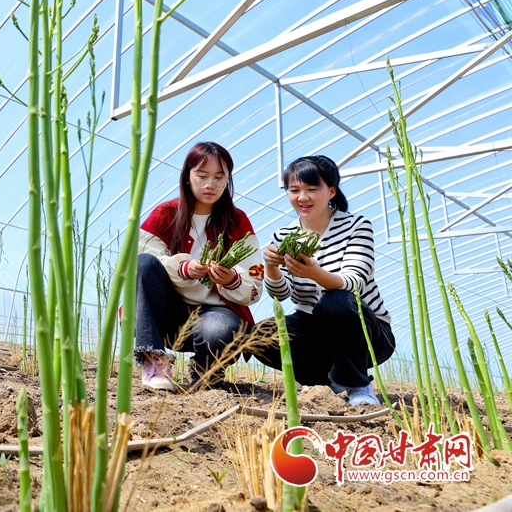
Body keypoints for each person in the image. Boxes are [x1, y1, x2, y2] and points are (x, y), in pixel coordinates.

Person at [252, 155, 395, 406]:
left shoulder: (356, 225)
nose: (302, 197)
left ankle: (357, 385)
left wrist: (315, 273)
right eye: (294, 190)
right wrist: (272, 267)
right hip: (313, 325)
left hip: (365, 329)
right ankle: (325, 384)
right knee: (262, 336)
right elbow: (282, 294)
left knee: (336, 300)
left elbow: (354, 281)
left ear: (331, 190)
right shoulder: (284, 234)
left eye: (311, 189)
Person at [136, 142, 264, 391]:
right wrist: (183, 268)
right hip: (168, 314)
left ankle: (205, 372)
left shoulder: (238, 221)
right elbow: (140, 260)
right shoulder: (165, 213)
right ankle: (155, 361)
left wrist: (232, 279)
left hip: (215, 313)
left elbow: (255, 275)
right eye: (202, 176)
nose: (210, 184)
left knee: (221, 329)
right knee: (143, 264)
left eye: (219, 177)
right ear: (187, 177)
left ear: (228, 179)